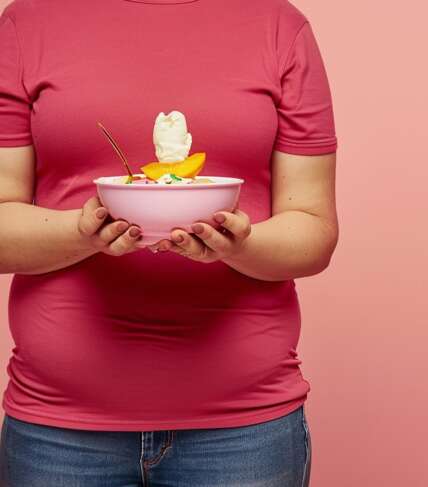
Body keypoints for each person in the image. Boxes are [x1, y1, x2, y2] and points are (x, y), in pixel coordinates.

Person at [0, 0, 338, 485]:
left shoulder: (279, 25)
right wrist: (82, 233)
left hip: (243, 427)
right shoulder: (27, 22)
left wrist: (237, 244)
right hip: (59, 428)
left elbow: (314, 230)